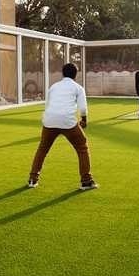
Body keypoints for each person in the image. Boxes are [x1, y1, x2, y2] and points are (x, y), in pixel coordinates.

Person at [28, 63, 98, 191]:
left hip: (49, 120)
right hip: (67, 121)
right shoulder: (78, 88)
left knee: (42, 149)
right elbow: (82, 108)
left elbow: (48, 104)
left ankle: (33, 179)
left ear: (63, 73)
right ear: (75, 75)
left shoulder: (54, 86)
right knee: (82, 147)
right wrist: (84, 120)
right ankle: (86, 181)